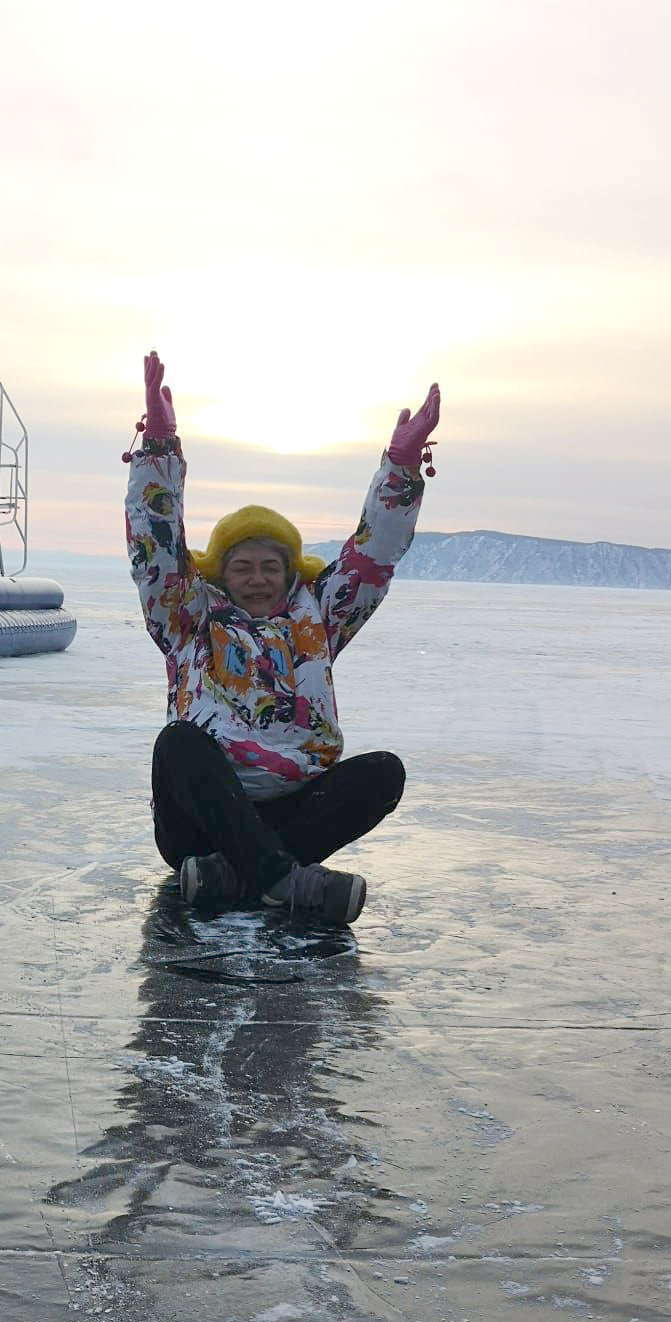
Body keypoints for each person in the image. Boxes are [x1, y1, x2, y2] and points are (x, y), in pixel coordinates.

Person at [124, 350, 440, 924]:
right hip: (200, 820)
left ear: (290, 570)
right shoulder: (187, 617)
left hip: (294, 808)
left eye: (271, 566)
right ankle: (281, 880)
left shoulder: (317, 619)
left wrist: (400, 465)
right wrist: (159, 448)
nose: (258, 578)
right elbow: (157, 541)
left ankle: (236, 874)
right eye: (242, 566)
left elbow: (373, 556)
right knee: (178, 744)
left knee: (383, 773)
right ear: (221, 572)